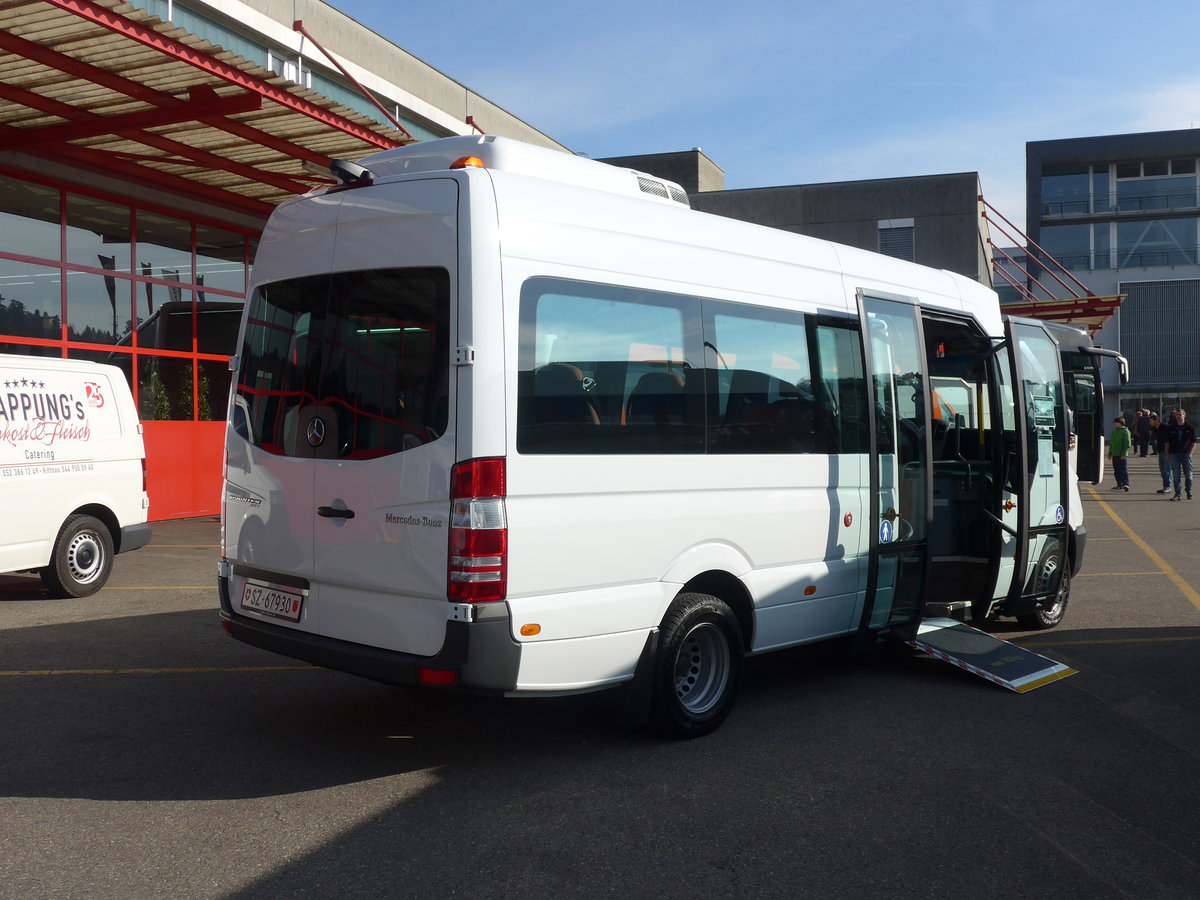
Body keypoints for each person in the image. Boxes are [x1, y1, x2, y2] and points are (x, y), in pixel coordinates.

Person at [1161, 408, 1196, 501]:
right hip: (1174, 454)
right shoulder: (1171, 427)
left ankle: (1189, 491)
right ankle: (1178, 494)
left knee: (1188, 475)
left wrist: (1190, 452)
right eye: (1176, 415)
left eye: (1180, 414)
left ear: (1184, 415)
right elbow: (1167, 442)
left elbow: (1193, 441)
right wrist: (1168, 454)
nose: (1178, 416)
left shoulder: (1190, 427)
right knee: (1176, 475)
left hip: (1186, 454)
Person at [1109, 416, 1131, 491]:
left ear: (1121, 423)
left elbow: (1127, 444)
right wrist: (1110, 453)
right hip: (1115, 454)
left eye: (1116, 423)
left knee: (1123, 470)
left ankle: (1126, 484)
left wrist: (1124, 453)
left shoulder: (1125, 431)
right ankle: (1119, 484)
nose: (1115, 424)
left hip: (1121, 455)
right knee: (1116, 470)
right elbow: (1112, 443)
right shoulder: (1114, 432)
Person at [1153, 412, 1172, 493]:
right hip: (1160, 450)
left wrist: (1168, 452)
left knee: (1167, 469)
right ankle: (1165, 486)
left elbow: (1168, 440)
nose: (1150, 423)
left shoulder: (1165, 427)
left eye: (1151, 421)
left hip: (1166, 451)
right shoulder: (1155, 428)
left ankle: (1168, 486)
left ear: (1157, 420)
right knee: (1162, 470)